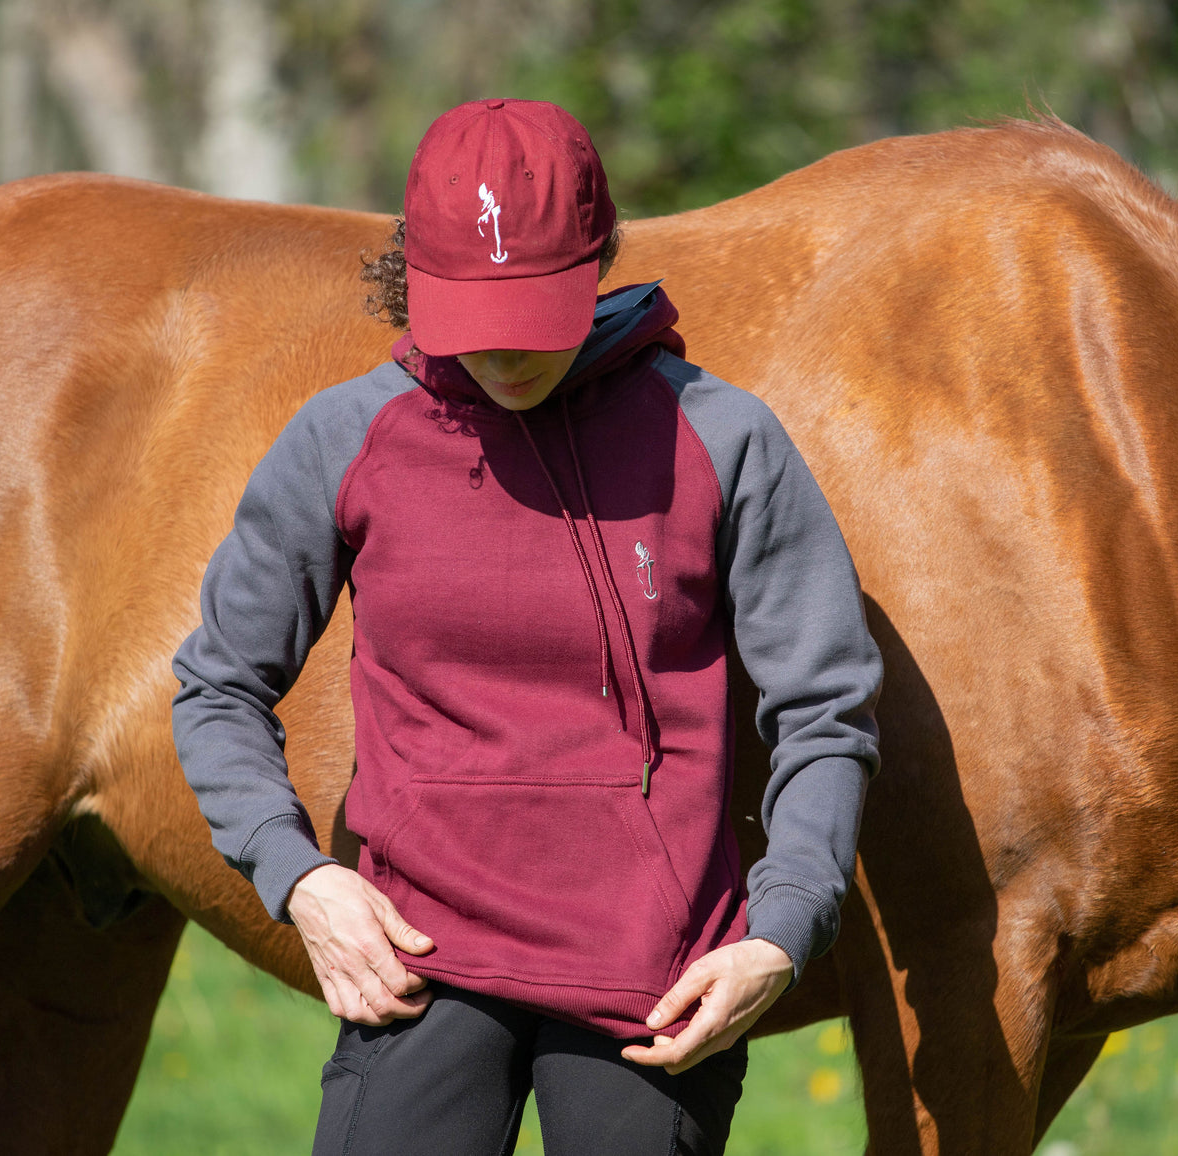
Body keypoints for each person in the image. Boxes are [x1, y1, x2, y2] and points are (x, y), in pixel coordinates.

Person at [171, 98, 881, 1156]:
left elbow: (824, 708)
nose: (504, 354)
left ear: (596, 263)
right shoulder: (343, 437)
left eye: (533, 313)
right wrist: (300, 875)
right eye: (471, 316)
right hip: (419, 963)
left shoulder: (723, 439)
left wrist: (781, 929)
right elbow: (217, 685)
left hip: (653, 984)